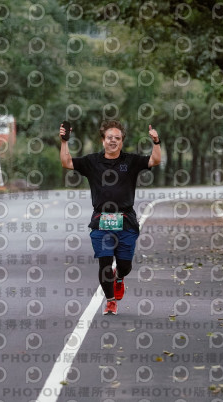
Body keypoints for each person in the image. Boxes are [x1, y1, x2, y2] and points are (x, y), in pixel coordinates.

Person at [60, 119, 161, 315]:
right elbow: (67, 162)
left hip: (126, 221)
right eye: (109, 137)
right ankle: (110, 301)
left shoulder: (130, 161)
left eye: (117, 138)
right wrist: (64, 141)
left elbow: (154, 160)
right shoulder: (92, 162)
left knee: (124, 265)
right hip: (101, 220)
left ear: (122, 141)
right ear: (103, 140)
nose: (113, 141)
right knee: (105, 262)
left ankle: (120, 278)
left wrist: (156, 142)